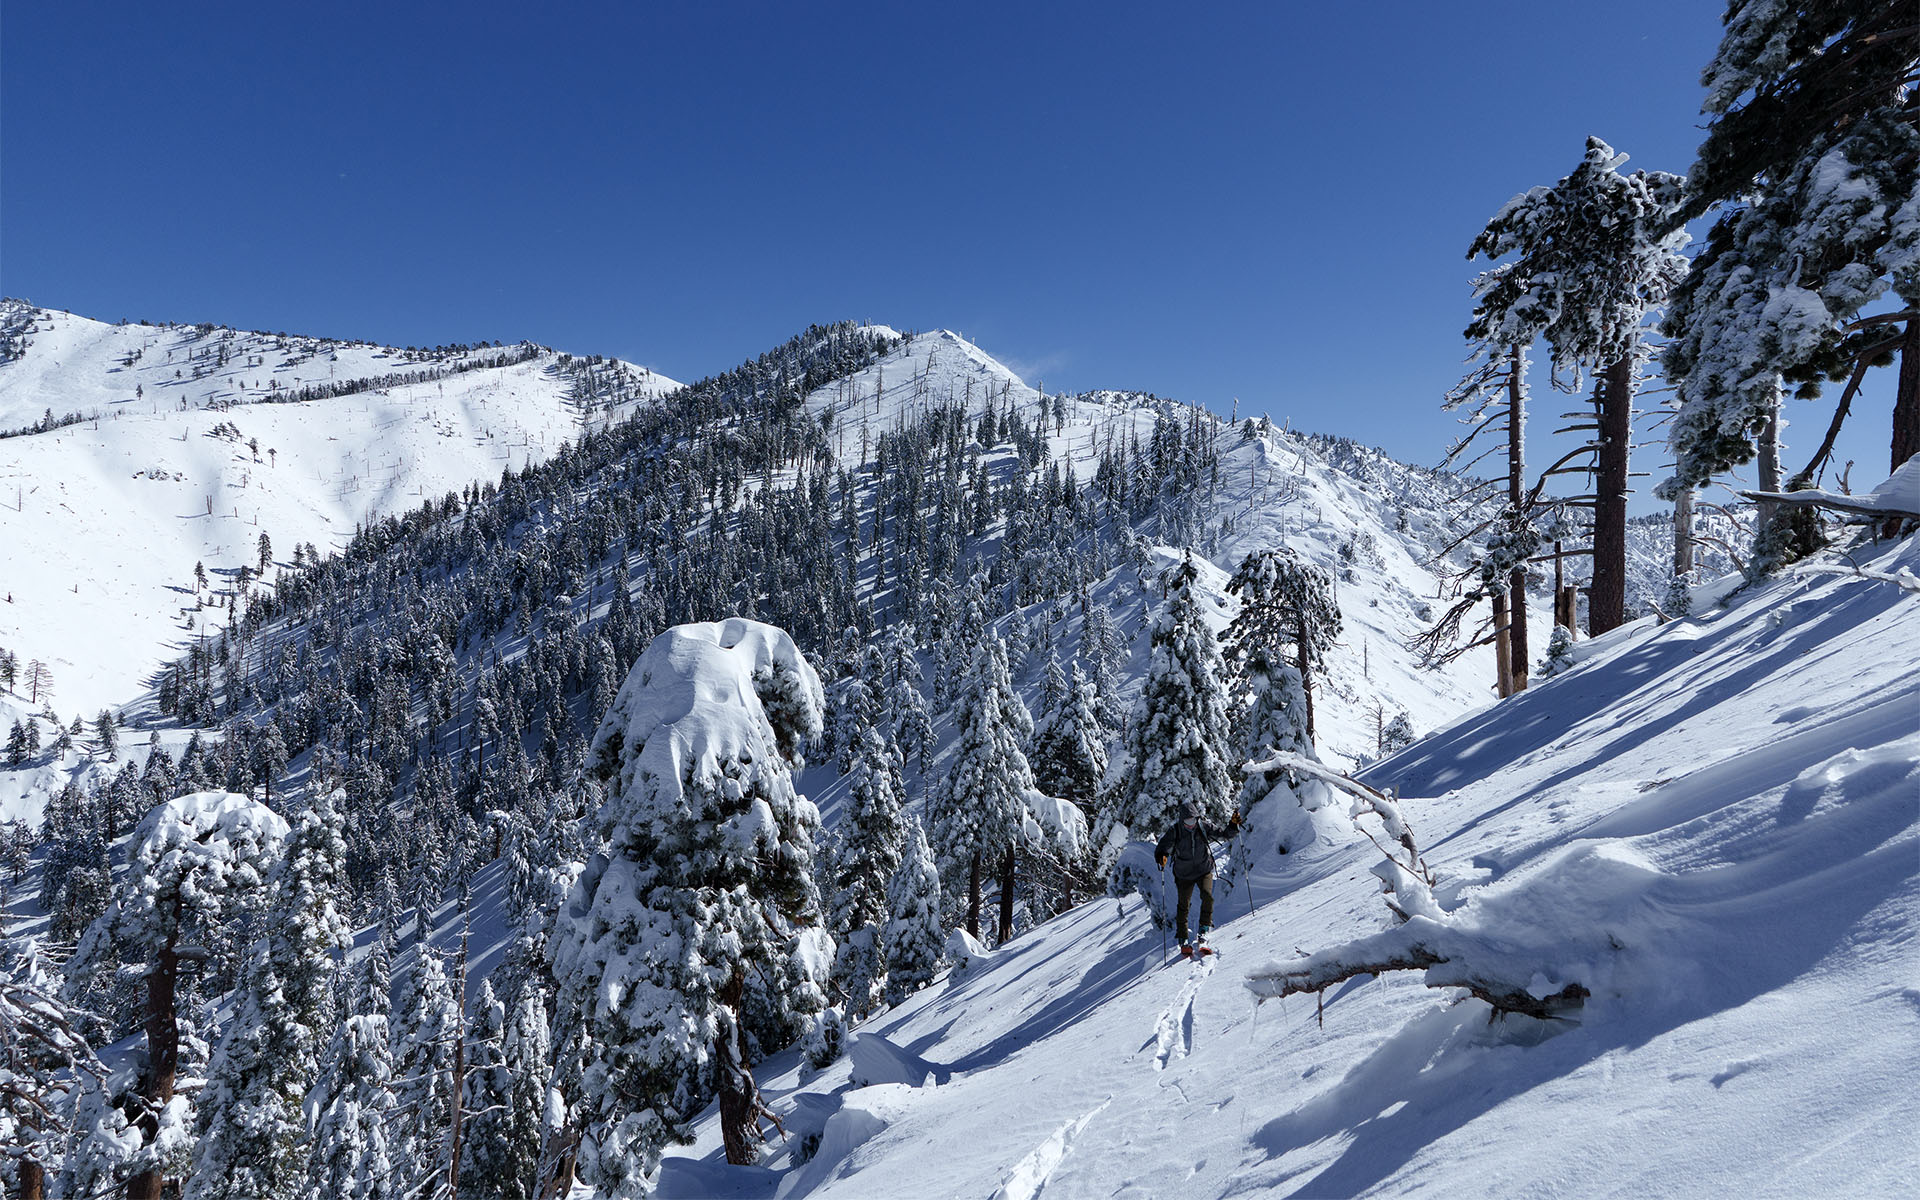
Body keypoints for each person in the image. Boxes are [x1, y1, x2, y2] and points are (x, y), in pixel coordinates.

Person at [1155, 804, 1241, 952]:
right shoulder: (1175, 831)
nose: (1191, 824)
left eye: (1193, 820)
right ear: (1182, 820)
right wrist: (1161, 857)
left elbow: (1225, 834)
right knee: (1184, 905)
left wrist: (1233, 824)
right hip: (1183, 874)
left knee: (1207, 897)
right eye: (1187, 821)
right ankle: (1183, 939)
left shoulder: (1204, 826)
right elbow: (1161, 848)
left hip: (1203, 869)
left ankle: (1204, 930)